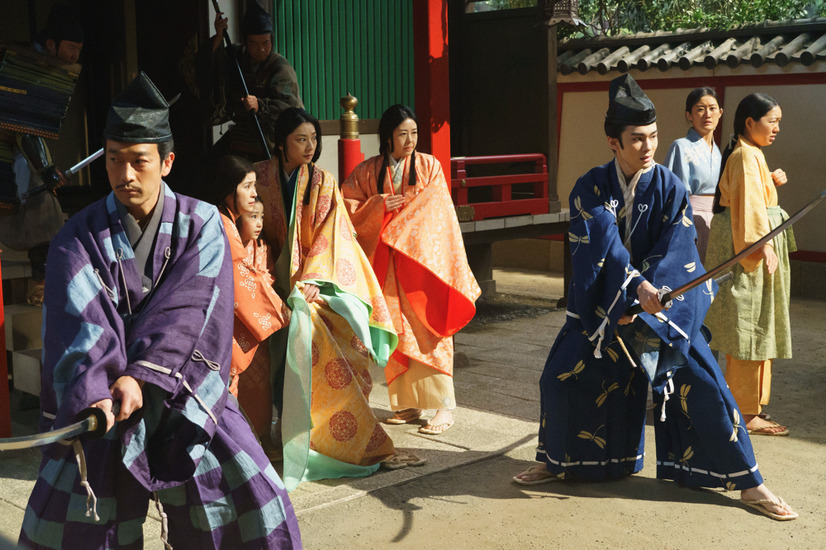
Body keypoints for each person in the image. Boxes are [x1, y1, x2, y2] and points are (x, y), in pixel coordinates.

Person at [19, 72, 302, 549]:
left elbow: (192, 310)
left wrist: (142, 375)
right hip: (105, 398)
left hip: (182, 389)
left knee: (254, 502)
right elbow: (79, 324)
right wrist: (97, 388)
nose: (125, 174)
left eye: (139, 161)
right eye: (113, 160)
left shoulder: (202, 223)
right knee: (69, 517)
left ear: (167, 161)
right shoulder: (77, 237)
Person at [512, 75, 797, 521]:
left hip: (667, 307)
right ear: (613, 142)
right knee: (561, 374)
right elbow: (601, 246)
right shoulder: (591, 187)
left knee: (705, 383)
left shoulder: (669, 187)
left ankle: (749, 483)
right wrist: (631, 294)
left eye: (653, 137)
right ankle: (556, 461)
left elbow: (678, 253)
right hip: (609, 306)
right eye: (637, 139)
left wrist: (655, 297)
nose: (648, 147)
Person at [255, 107, 422, 490]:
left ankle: (323, 440)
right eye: (301, 139)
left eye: (314, 138)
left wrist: (313, 279)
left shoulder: (323, 181)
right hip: (265, 277)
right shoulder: (260, 176)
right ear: (282, 143)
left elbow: (335, 236)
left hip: (312, 284)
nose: (310, 146)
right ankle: (269, 434)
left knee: (327, 343)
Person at [341, 105, 481, 436]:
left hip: (422, 267)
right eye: (403, 133)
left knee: (430, 331)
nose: (410, 140)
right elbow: (347, 206)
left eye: (414, 133)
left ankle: (443, 405)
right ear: (387, 136)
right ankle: (408, 403)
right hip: (387, 266)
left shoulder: (430, 167)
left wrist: (397, 224)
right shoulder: (369, 171)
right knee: (397, 332)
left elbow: (438, 213)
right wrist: (376, 206)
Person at [704, 93, 795, 437]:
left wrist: (769, 183)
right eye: (772, 121)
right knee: (748, 327)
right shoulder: (744, 155)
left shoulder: (751, 155)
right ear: (750, 123)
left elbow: (751, 197)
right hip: (749, 251)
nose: (776, 128)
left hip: (755, 245)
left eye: (779, 122)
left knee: (759, 326)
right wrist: (760, 246)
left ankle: (752, 407)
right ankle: (743, 410)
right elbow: (747, 211)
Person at [204, 155, 288, 460]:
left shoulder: (220, 218)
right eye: (248, 186)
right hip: (214, 323)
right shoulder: (223, 226)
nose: (254, 193)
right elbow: (241, 279)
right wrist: (278, 311)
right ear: (230, 192)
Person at [0, 7, 84, 305]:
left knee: (43, 213)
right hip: (9, 150)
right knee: (44, 215)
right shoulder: (26, 66)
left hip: (17, 151)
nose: (75, 56)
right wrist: (47, 169)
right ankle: (40, 285)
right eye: (71, 48)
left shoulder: (38, 64)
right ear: (51, 44)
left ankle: (42, 282)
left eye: (78, 50)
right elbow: (24, 125)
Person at [196, 2, 303, 161]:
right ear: (246, 42)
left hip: (270, 139)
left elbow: (290, 110)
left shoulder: (280, 68)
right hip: (242, 134)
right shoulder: (238, 57)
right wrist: (219, 35)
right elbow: (209, 64)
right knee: (209, 164)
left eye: (265, 43)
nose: (261, 49)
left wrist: (261, 105)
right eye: (254, 44)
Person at [664, 87, 723, 262]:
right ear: (689, 115)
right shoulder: (681, 146)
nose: (707, 114)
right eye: (700, 109)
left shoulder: (719, 151)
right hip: (691, 219)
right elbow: (674, 194)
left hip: (718, 219)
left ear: (720, 113)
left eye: (712, 108)